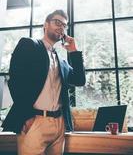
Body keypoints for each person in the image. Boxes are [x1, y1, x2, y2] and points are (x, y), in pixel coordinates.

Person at [2, 9, 86, 155]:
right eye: (57, 22)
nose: (61, 27)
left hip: (59, 124)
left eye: (64, 25)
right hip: (34, 122)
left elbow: (79, 80)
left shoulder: (63, 62)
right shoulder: (29, 45)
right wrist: (27, 117)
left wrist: (74, 51)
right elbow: (15, 80)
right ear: (45, 25)